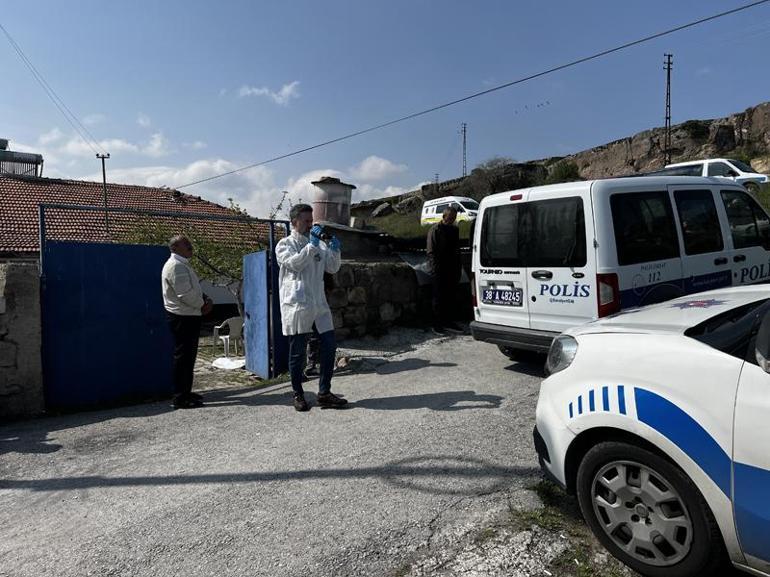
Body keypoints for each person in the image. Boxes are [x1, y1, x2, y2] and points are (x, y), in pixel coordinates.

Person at [276, 204, 347, 411]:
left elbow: (332, 267)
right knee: (297, 353)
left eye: (311, 220)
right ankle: (298, 393)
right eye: (306, 221)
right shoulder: (284, 244)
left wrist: (334, 250)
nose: (310, 224)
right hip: (298, 305)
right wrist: (313, 246)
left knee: (329, 346)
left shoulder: (317, 245)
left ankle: (324, 392)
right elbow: (296, 264)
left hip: (319, 304)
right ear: (294, 221)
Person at [161, 235, 213, 409]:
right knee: (183, 357)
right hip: (183, 316)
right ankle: (180, 397)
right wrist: (202, 305)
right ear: (175, 248)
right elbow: (185, 294)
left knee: (188, 356)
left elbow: (192, 289)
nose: (191, 247)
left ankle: (186, 391)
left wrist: (204, 299)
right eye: (187, 245)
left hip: (188, 315)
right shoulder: (176, 266)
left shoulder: (182, 264)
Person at [426, 206, 463, 335]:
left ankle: (448, 322)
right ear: (444, 217)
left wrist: (458, 269)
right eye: (450, 218)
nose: (452, 220)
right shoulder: (435, 230)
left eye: (454, 218)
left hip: (451, 269)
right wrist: (436, 271)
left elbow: (456, 250)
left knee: (450, 297)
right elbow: (431, 253)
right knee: (438, 298)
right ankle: (436, 324)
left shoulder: (454, 230)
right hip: (439, 269)